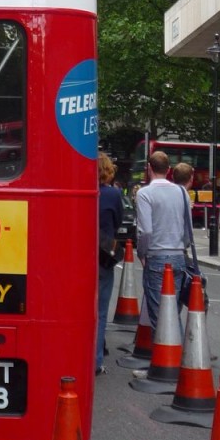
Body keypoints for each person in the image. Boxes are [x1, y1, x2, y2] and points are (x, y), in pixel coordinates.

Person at [135, 150, 192, 332]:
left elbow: (145, 231)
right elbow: (188, 230)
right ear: (169, 169)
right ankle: (180, 353)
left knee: (159, 317)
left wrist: (142, 254)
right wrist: (181, 247)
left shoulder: (145, 194)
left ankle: (165, 359)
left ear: (149, 168)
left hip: (156, 257)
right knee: (172, 313)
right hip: (178, 257)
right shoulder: (182, 193)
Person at [96, 152, 123, 376]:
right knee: (101, 311)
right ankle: (96, 361)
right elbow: (118, 221)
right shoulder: (113, 194)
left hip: (78, 256)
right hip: (103, 255)